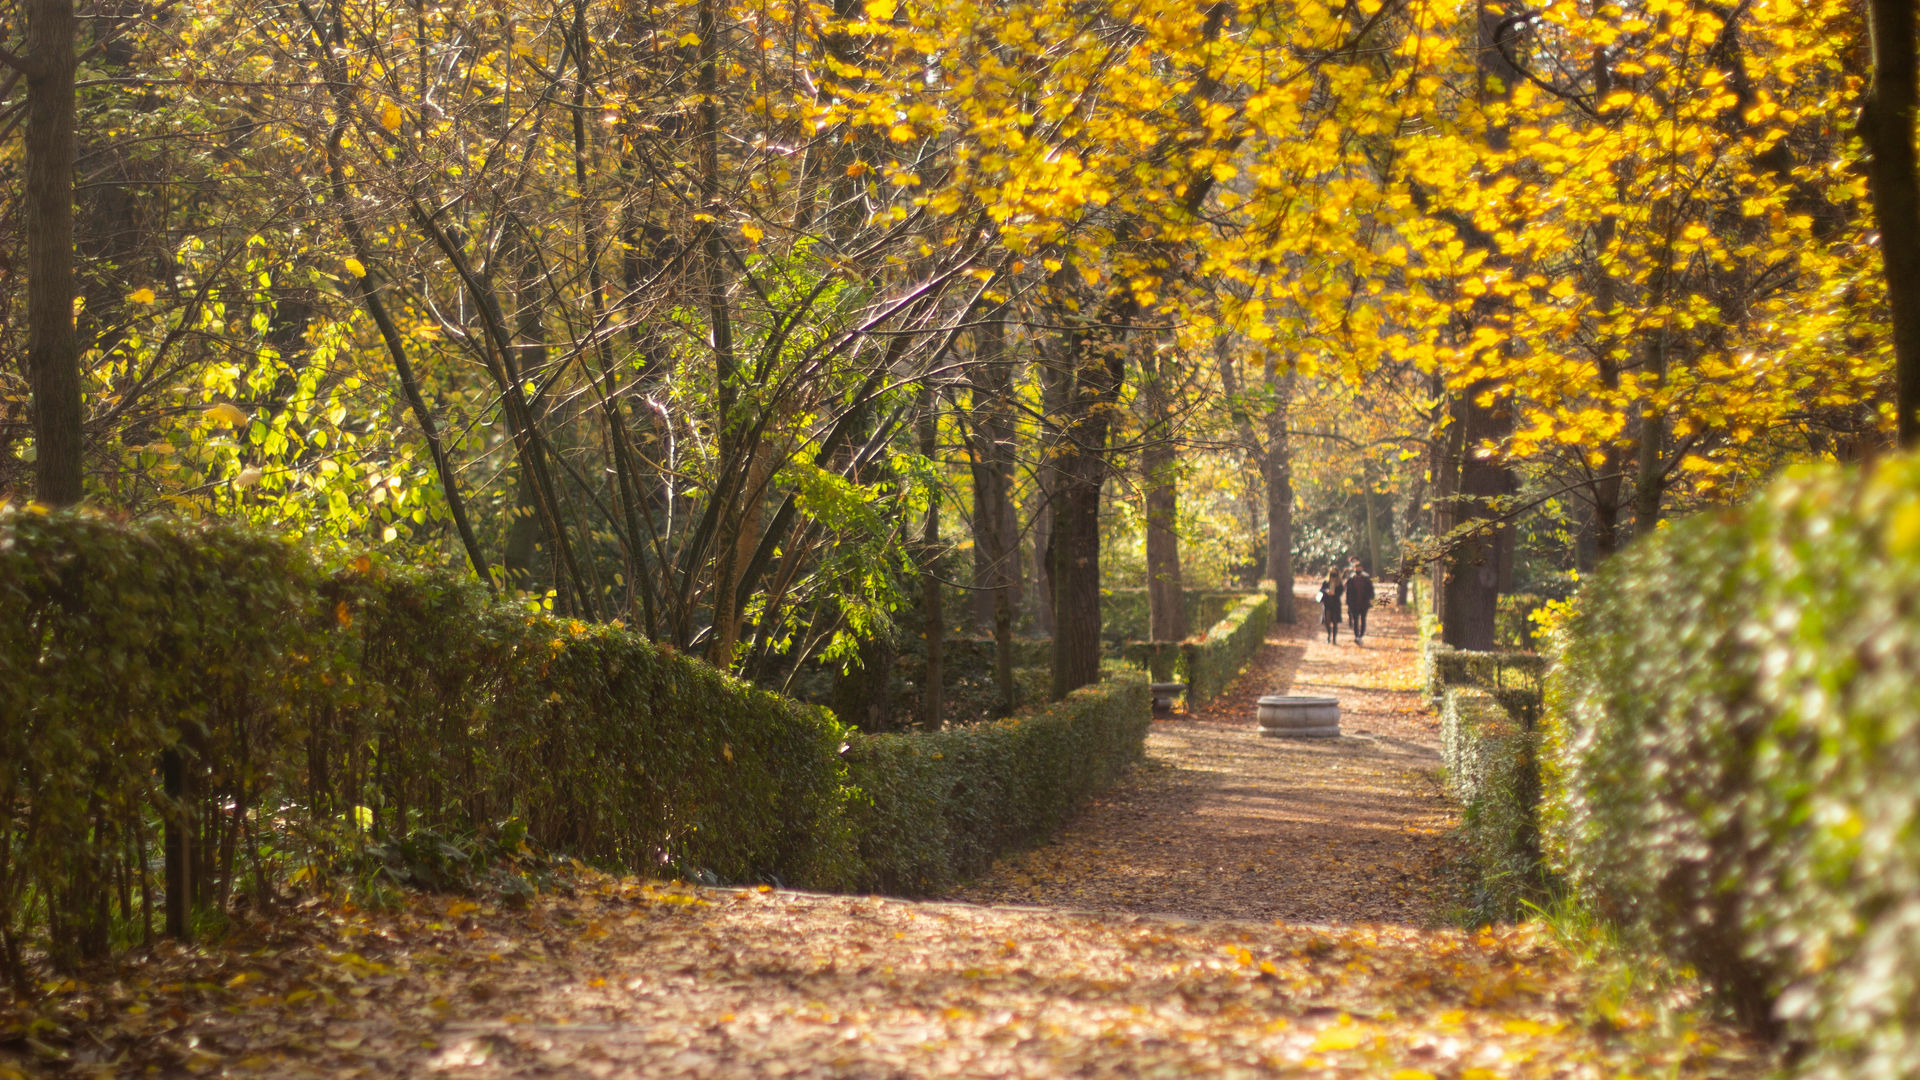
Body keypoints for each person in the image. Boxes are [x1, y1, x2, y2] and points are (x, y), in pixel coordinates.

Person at [1345, 561, 1375, 644]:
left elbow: (1371, 590)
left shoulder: (1366, 579)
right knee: (1355, 620)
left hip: (1364, 603)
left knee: (1363, 620)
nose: (1358, 570)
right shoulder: (1351, 580)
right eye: (1356, 568)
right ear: (1354, 569)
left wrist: (1371, 598)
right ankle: (1356, 636)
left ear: (1361, 569)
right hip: (1354, 604)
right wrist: (1348, 602)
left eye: (1359, 568)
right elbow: (1348, 592)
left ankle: (1361, 635)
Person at [1317, 567, 1344, 645]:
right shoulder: (1326, 582)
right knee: (1327, 621)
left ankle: (1334, 639)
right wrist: (1326, 591)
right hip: (1327, 604)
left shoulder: (1339, 583)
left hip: (1335, 604)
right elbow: (1321, 590)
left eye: (1334, 573)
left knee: (1335, 622)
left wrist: (1335, 593)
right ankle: (1328, 636)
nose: (1333, 574)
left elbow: (1341, 592)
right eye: (1332, 572)